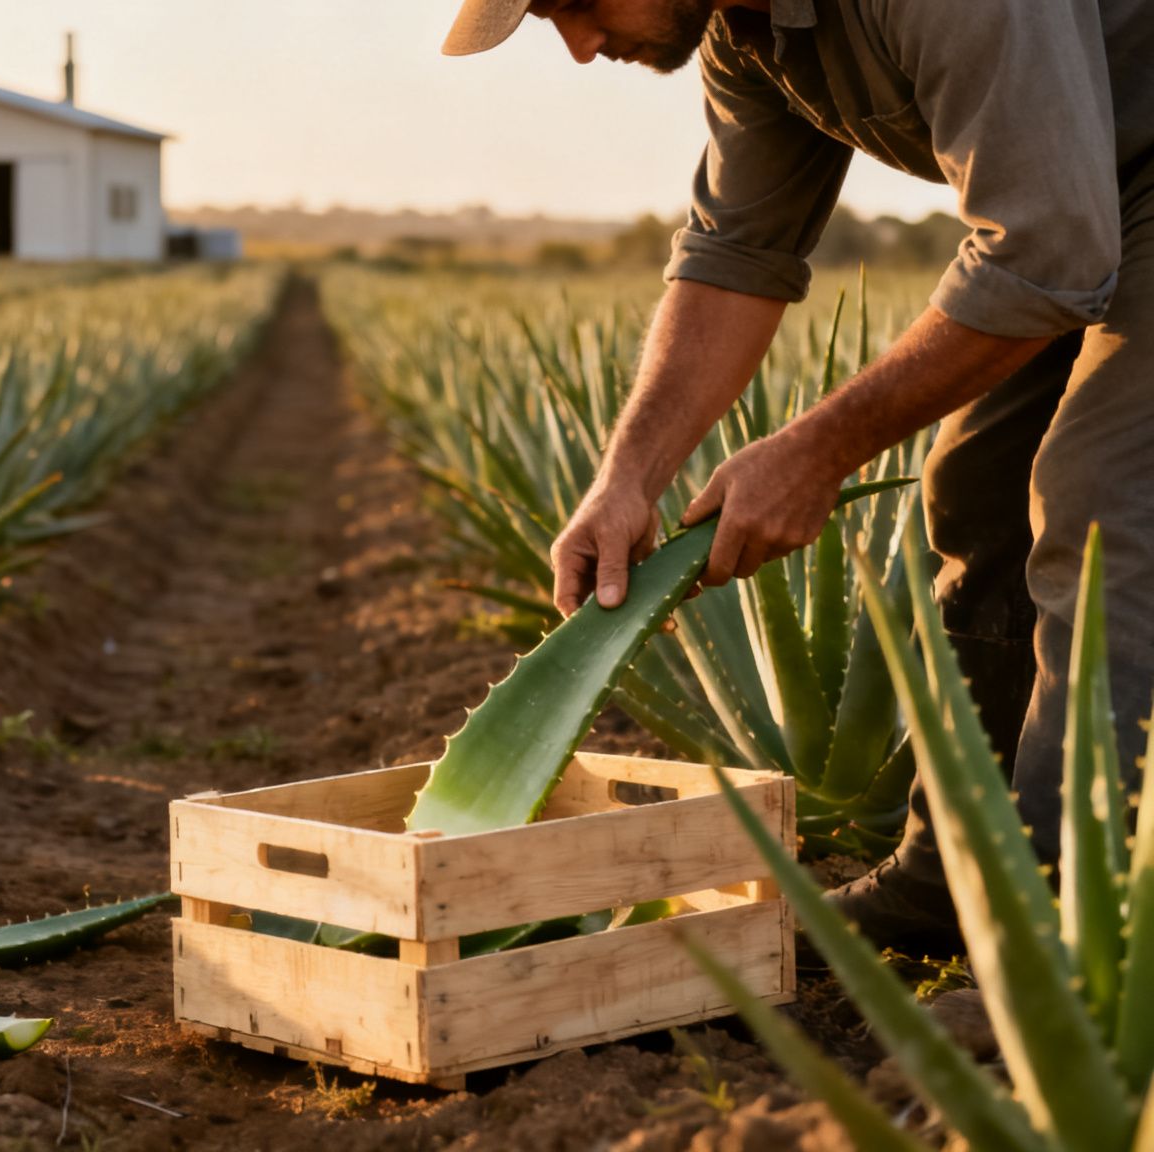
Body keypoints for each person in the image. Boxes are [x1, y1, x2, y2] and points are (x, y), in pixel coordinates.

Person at [441, 0, 1154, 953]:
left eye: (576, 0)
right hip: (1094, 195)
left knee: (1105, 501)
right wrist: (626, 480)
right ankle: (960, 888)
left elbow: (1045, 251)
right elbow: (737, 253)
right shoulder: (751, 35)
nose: (579, 46)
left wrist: (816, 452)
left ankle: (1086, 942)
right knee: (976, 489)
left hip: (1100, 207)